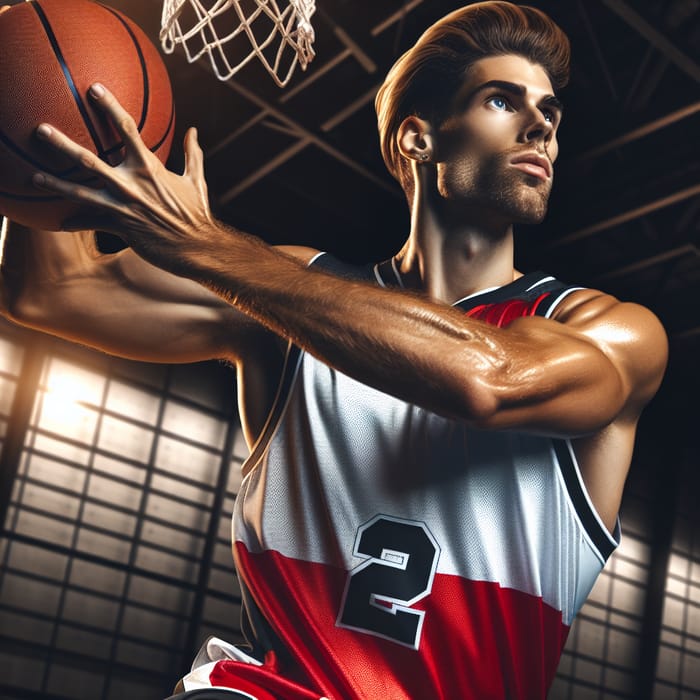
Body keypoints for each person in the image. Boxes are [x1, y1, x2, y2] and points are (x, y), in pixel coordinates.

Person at [0, 2, 667, 699]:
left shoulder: (610, 331)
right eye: (502, 99)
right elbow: (54, 291)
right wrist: (44, 87)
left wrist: (206, 248)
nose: (542, 126)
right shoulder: (286, 297)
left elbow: (491, 379)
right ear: (417, 140)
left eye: (550, 113)